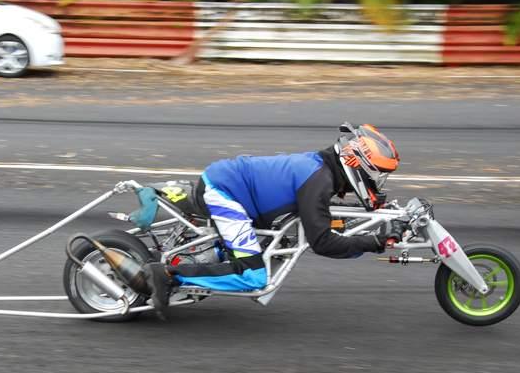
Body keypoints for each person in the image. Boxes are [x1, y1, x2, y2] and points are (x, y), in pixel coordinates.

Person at [141, 123, 406, 316]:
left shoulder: (321, 169)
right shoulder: (318, 180)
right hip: (225, 192)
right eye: (378, 173)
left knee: (263, 251)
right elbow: (323, 243)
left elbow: (322, 213)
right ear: (359, 165)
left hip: (234, 186)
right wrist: (375, 242)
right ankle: (167, 275)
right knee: (253, 277)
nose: (379, 181)